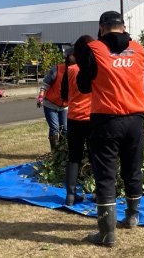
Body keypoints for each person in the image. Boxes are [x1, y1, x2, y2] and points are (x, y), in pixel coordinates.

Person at [76, 11, 144, 247]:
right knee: (133, 167)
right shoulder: (141, 50)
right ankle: (132, 216)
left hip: (106, 120)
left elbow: (83, 86)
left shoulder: (95, 49)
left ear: (101, 28)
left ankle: (107, 234)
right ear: (123, 26)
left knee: (105, 174)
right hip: (135, 119)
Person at [61, 36, 93, 206]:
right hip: (93, 117)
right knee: (96, 157)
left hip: (74, 118)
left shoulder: (71, 69)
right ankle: (99, 194)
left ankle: (70, 196)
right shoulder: (96, 68)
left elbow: (63, 95)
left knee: (74, 157)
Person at [38, 51, 69, 151]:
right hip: (50, 104)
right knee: (55, 128)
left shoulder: (76, 71)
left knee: (65, 129)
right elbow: (45, 84)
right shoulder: (57, 69)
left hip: (64, 105)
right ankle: (55, 151)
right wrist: (40, 97)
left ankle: (62, 151)